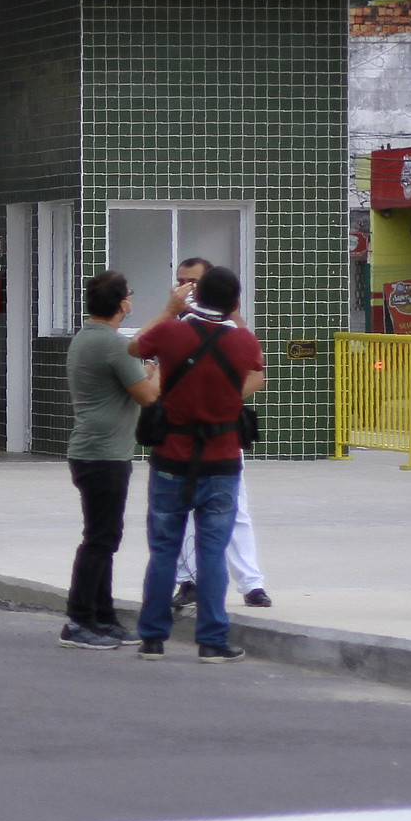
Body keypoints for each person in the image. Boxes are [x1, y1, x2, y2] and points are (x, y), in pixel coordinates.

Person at [129, 266, 265, 662]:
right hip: (221, 461)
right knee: (212, 551)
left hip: (171, 457)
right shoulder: (243, 340)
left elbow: (135, 347)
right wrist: (235, 316)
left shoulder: (171, 332)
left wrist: (171, 310)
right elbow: (257, 366)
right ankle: (212, 641)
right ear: (235, 302)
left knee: (164, 550)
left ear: (194, 297)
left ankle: (153, 638)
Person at [164, 257, 272, 611]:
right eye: (181, 280)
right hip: (182, 435)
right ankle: (189, 581)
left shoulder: (232, 328)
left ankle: (251, 583)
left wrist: (219, 399)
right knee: (182, 511)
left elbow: (257, 375)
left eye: (194, 282)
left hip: (223, 434)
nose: (186, 288)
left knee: (234, 508)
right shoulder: (174, 327)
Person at [60, 271, 160, 650]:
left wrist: (146, 370)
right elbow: (148, 396)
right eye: (129, 295)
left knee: (104, 537)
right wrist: (161, 369)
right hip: (103, 456)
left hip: (93, 452)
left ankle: (103, 616)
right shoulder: (113, 346)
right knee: (100, 540)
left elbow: (129, 371)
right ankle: (78, 621)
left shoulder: (87, 338)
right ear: (123, 304)